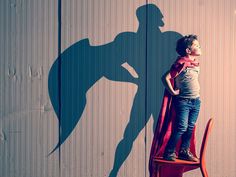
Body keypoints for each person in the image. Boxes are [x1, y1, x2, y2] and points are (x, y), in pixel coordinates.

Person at [162, 34, 202, 161]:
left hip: (196, 101)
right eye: (196, 45)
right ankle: (169, 152)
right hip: (183, 101)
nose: (199, 46)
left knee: (191, 126)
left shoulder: (194, 64)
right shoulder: (181, 63)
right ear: (188, 50)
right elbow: (165, 77)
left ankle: (184, 151)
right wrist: (173, 92)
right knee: (181, 127)